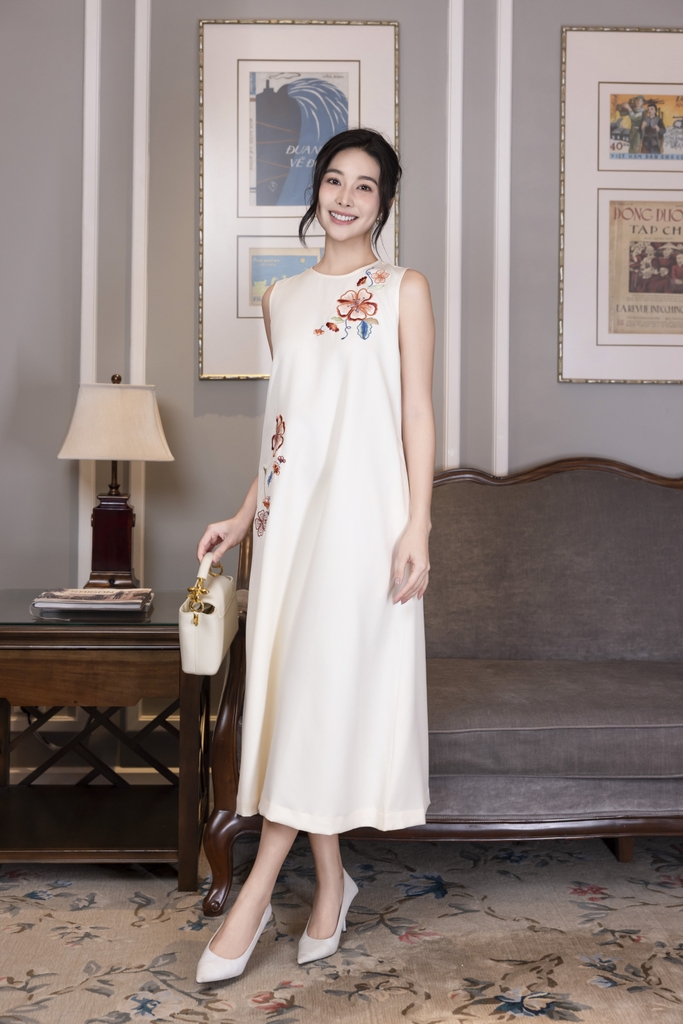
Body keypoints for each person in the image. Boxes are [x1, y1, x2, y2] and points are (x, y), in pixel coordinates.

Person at [194, 128, 435, 984]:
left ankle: (258, 891)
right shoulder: (282, 298)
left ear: (384, 202)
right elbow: (288, 430)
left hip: (366, 523)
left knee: (320, 689)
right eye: (334, 179)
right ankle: (332, 882)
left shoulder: (403, 289)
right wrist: (239, 517)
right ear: (316, 189)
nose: (345, 197)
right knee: (304, 693)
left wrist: (419, 526)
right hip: (288, 524)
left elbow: (415, 414)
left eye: (364, 186)